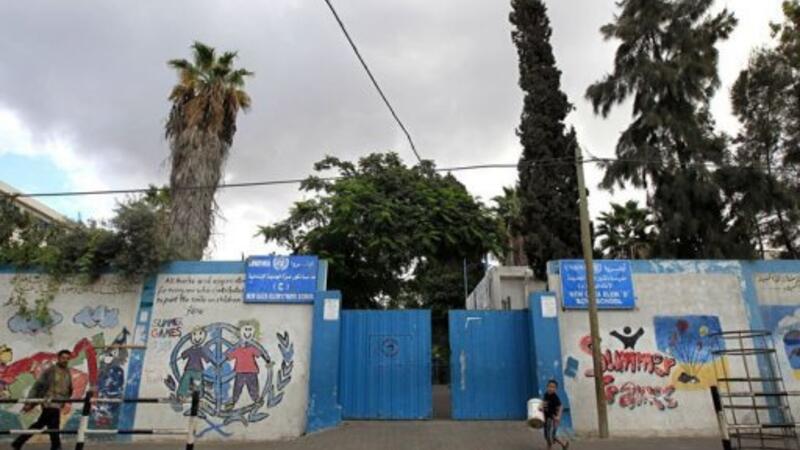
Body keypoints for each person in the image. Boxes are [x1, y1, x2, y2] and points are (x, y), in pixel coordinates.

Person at [12, 349, 73, 450]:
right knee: (53, 424)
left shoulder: (67, 372)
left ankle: (18, 442)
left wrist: (65, 400)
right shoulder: (50, 371)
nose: (65, 360)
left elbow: (69, 388)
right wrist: (29, 402)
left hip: (58, 403)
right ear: (58, 358)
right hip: (48, 402)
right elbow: (37, 386)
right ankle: (56, 446)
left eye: (67, 358)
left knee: (43, 424)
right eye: (63, 358)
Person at [540, 379, 569, 450]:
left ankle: (550, 447)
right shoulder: (546, 395)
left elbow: (561, 406)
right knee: (548, 435)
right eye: (550, 386)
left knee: (550, 435)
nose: (551, 388)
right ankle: (564, 444)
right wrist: (541, 407)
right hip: (546, 418)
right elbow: (544, 403)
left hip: (552, 419)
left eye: (553, 387)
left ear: (556, 389)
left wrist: (558, 417)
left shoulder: (555, 397)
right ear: (547, 387)